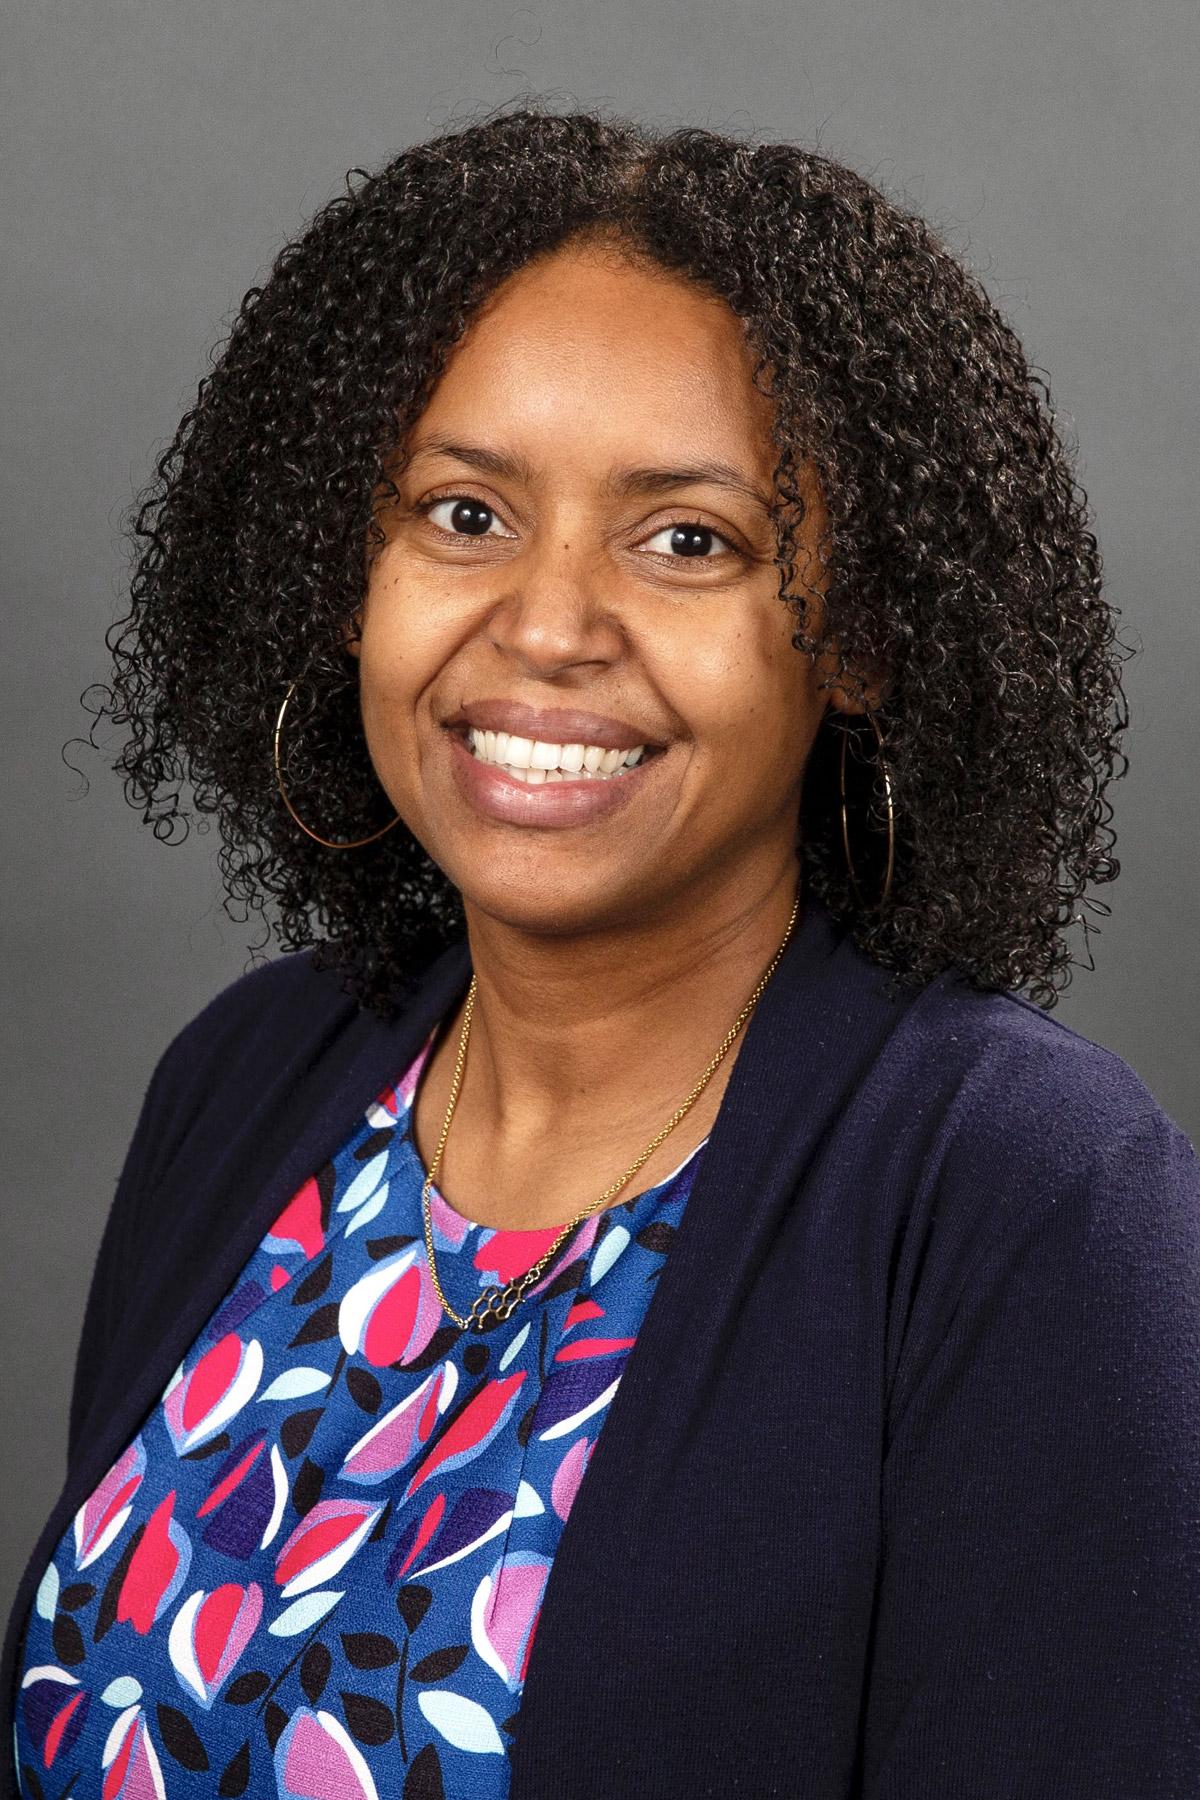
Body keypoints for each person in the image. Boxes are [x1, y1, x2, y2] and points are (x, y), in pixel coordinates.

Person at [4, 103, 1198, 1800]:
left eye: (687, 539)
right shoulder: (249, 1080)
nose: (549, 625)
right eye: (464, 514)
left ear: (856, 637)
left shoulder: (1034, 1205)